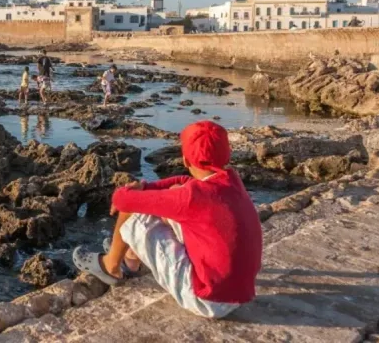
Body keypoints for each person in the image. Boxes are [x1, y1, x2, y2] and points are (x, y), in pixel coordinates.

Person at [73, 121, 262, 319]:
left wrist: (130, 192)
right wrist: (146, 187)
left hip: (208, 300)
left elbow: (123, 200)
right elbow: (183, 182)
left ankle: (110, 266)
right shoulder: (230, 181)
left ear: (185, 160)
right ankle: (130, 258)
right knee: (170, 197)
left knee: (134, 214)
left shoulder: (191, 197)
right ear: (226, 155)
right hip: (240, 293)